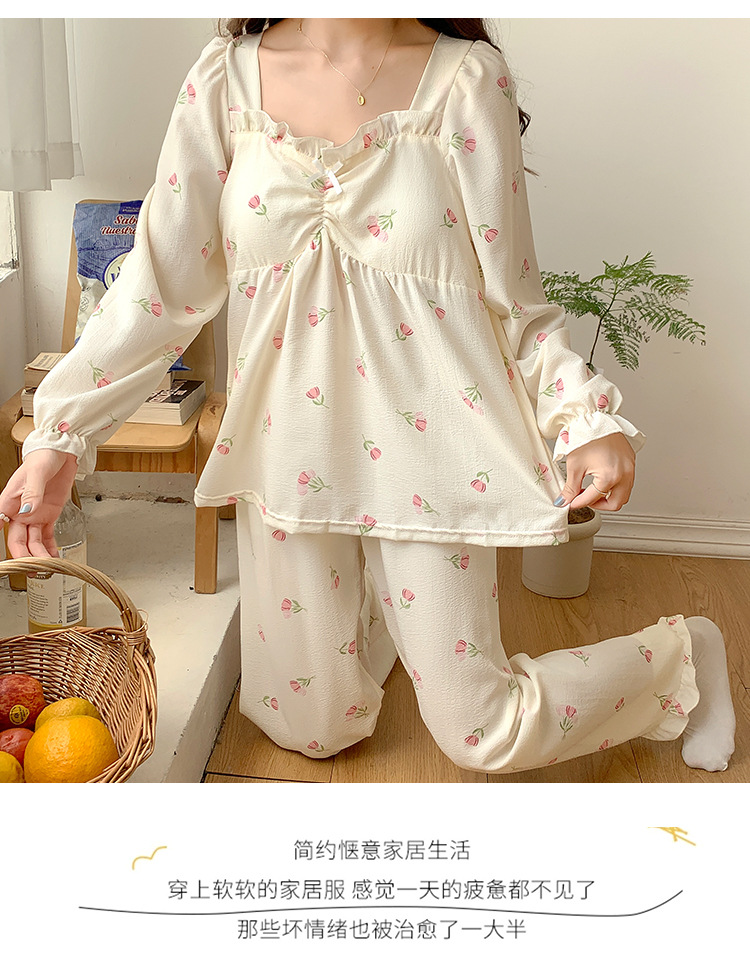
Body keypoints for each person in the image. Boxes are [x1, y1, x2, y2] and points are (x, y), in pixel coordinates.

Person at [0, 18, 735, 774]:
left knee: (482, 730)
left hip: (432, 454)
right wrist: (61, 435)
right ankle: (384, 610)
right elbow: (159, 286)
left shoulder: (466, 81)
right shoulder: (223, 82)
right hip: (288, 453)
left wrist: (583, 418)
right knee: (312, 729)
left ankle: (680, 659)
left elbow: (514, 300)